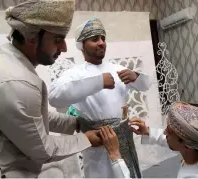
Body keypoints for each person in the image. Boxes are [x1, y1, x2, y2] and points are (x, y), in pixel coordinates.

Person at [0, 0, 102, 178]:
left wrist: (75, 123)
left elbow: (32, 116)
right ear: (31, 38)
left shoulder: (10, 63)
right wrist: (86, 139)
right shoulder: (14, 81)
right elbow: (42, 150)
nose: (64, 48)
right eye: (58, 40)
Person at [48, 18, 152, 178]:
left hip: (124, 139)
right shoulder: (75, 74)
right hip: (98, 143)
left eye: (103, 38)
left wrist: (135, 76)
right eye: (95, 39)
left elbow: (146, 85)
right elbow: (54, 98)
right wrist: (98, 82)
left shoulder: (118, 69)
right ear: (82, 45)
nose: (101, 42)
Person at [129, 102, 198, 178]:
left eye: (169, 131)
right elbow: (174, 140)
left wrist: (116, 159)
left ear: (187, 145)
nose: (164, 133)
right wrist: (148, 131)